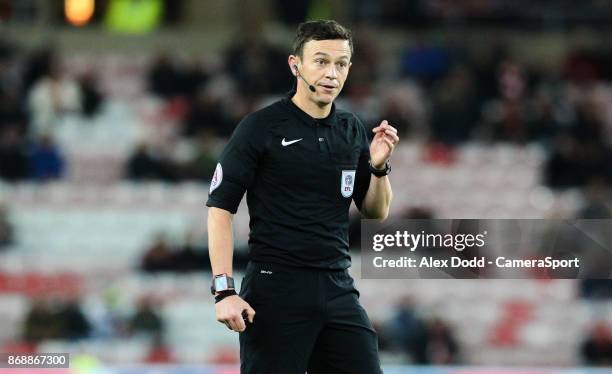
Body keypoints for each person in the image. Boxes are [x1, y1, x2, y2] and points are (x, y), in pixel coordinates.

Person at [206, 20, 399, 373]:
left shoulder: (351, 129)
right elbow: (220, 209)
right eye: (321, 61)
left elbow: (374, 212)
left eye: (340, 64)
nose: (332, 73)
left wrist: (378, 168)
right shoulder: (260, 127)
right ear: (296, 65)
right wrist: (224, 291)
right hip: (276, 287)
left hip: (337, 284)